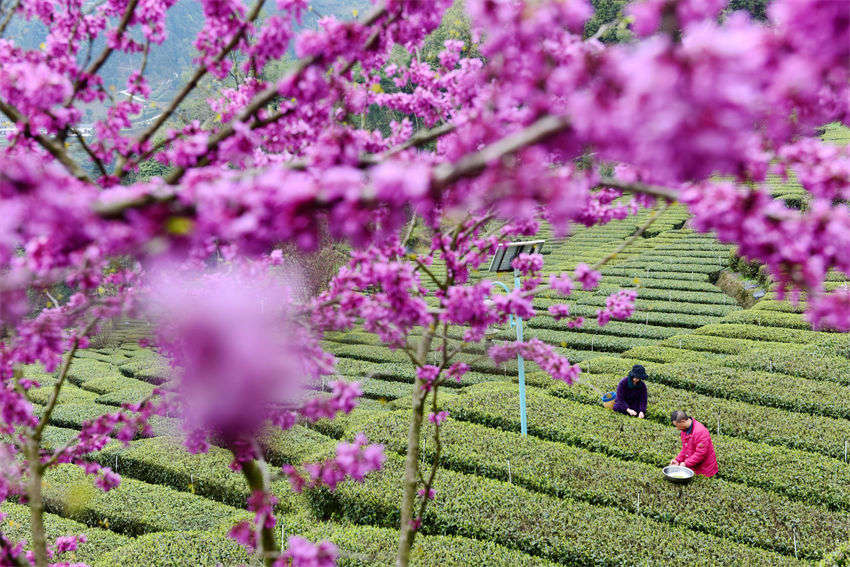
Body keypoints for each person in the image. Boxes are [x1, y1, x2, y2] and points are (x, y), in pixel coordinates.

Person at [669, 410, 718, 477]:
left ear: (683, 421)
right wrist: (677, 460)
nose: (677, 428)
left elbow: (700, 453)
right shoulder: (684, 430)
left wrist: (686, 463)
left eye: (677, 425)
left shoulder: (700, 432)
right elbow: (685, 449)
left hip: (705, 470)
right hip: (694, 467)